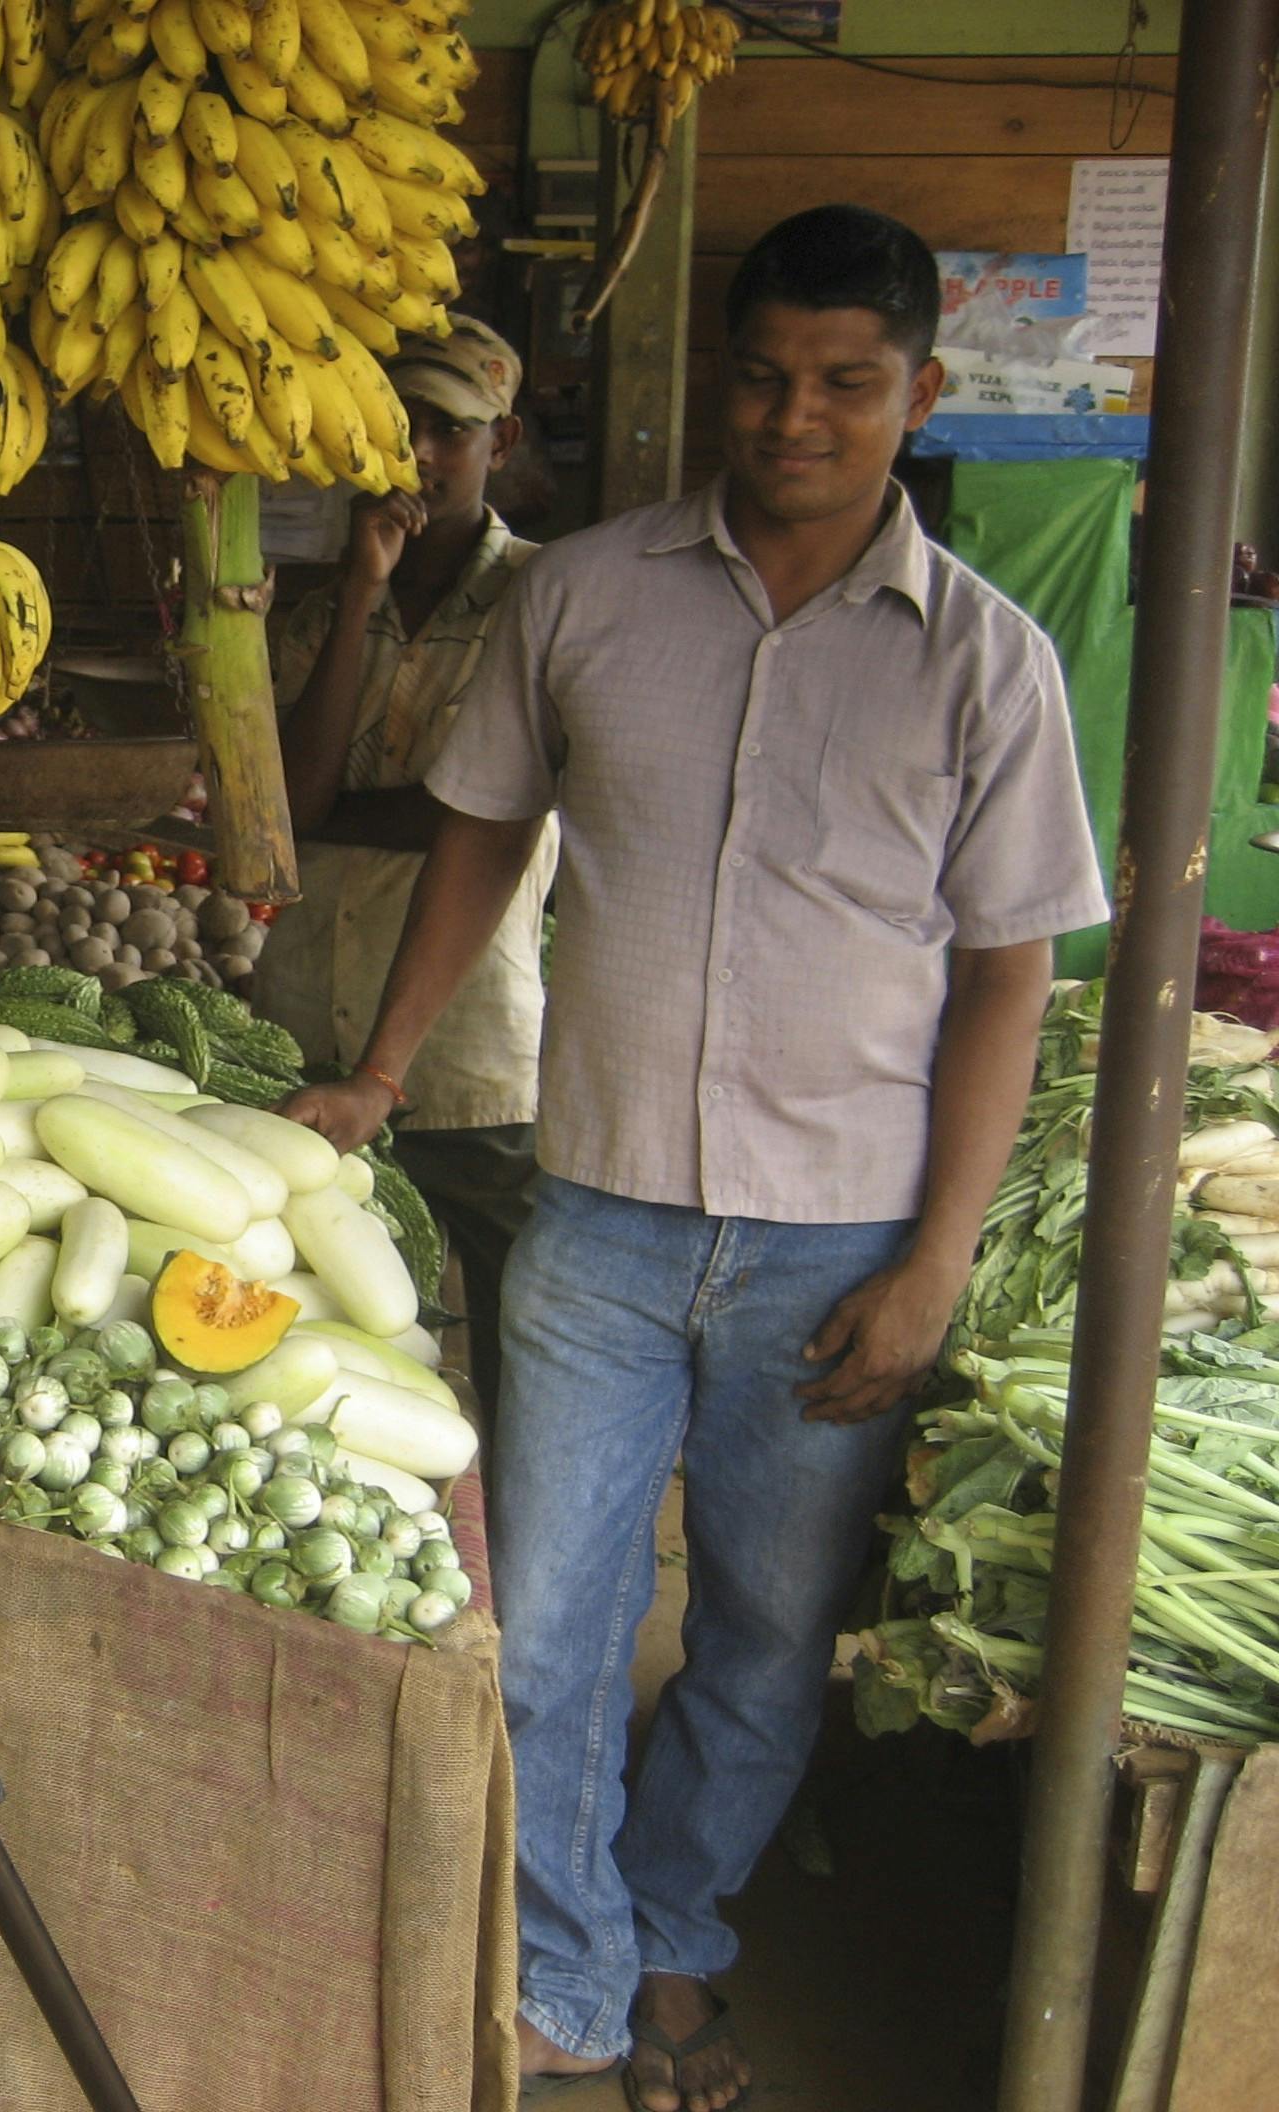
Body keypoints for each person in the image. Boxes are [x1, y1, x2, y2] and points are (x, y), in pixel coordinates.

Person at [280, 205, 1106, 2111]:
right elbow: (479, 829)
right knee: (546, 1622)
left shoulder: (987, 667)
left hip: (838, 1243)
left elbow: (1007, 982)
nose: (794, 417)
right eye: (763, 374)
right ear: (721, 374)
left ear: (919, 392)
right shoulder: (585, 594)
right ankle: (567, 1966)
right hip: (600, 1218)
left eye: (843, 383)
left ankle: (671, 1935)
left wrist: (939, 1260)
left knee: (757, 1636)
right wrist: (387, 1070)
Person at [257, 316, 552, 1402]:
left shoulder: (541, 599)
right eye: (396, 428)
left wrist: (410, 815)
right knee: (334, 1322)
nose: (416, 456)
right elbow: (290, 806)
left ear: (502, 438)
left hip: (468, 1042)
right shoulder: (309, 607)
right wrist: (357, 601)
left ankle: (517, 1551)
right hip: (304, 1013)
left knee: (517, 1331)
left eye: (449, 431)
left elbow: (484, 821)